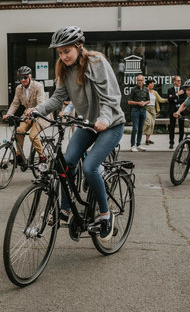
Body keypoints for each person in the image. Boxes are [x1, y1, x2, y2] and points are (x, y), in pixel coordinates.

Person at [25, 26, 125, 242]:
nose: (63, 56)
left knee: (89, 168)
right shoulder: (64, 68)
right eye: (60, 52)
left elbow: (111, 97)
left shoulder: (96, 62)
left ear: (79, 47)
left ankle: (106, 215)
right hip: (87, 124)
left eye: (67, 51)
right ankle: (65, 210)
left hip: (112, 124)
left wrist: (104, 119)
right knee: (67, 163)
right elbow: (57, 98)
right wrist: (37, 110)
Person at [3, 66, 47, 164]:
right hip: (27, 115)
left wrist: (33, 112)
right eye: (20, 78)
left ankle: (42, 156)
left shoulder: (38, 86)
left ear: (30, 77)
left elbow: (41, 103)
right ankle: (20, 156)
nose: (23, 80)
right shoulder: (19, 88)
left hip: (41, 115)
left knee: (33, 135)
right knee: (19, 130)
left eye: (25, 77)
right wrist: (9, 114)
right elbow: (15, 103)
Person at [127, 74, 150, 152]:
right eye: (138, 80)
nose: (139, 82)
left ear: (143, 81)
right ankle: (132, 145)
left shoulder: (146, 89)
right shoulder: (133, 89)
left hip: (143, 110)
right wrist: (138, 103)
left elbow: (149, 100)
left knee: (140, 129)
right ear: (136, 81)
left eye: (141, 80)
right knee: (135, 128)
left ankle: (139, 144)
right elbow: (129, 101)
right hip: (135, 110)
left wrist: (144, 103)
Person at [143, 78, 167, 146]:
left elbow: (160, 100)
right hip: (146, 108)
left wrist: (167, 99)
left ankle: (147, 139)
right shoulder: (144, 91)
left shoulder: (155, 92)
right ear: (148, 84)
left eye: (153, 83)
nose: (153, 85)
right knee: (148, 122)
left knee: (152, 124)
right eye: (151, 83)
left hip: (153, 109)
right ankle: (141, 132)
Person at [167, 75, 186, 149]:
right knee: (172, 127)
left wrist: (175, 99)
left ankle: (181, 143)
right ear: (174, 81)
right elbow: (169, 99)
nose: (179, 82)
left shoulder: (183, 90)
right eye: (178, 81)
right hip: (172, 110)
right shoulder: (170, 90)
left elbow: (184, 100)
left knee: (181, 127)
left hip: (181, 110)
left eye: (180, 81)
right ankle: (171, 143)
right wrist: (177, 94)